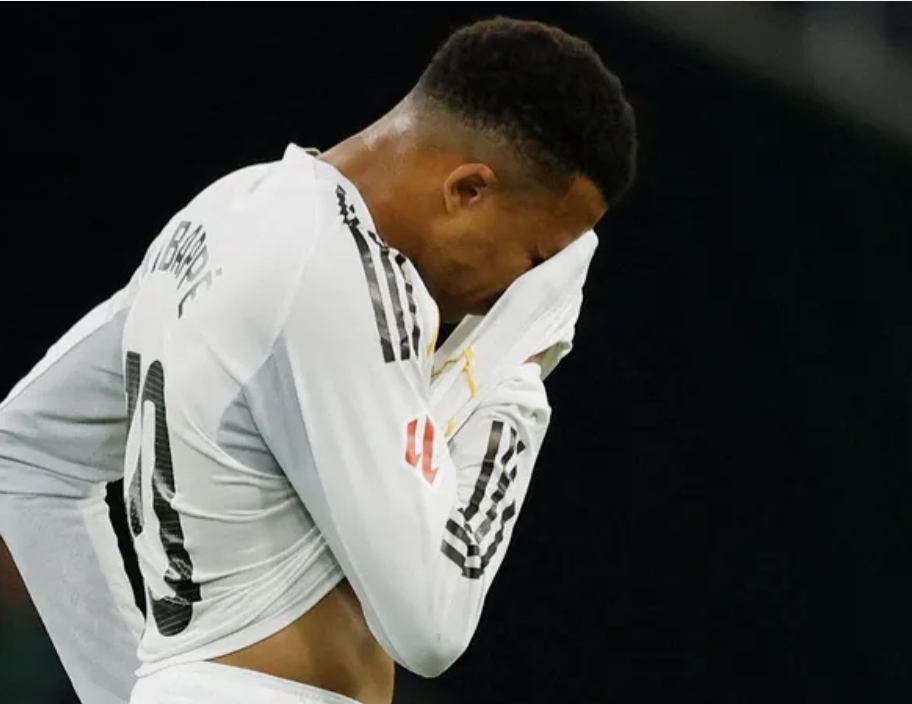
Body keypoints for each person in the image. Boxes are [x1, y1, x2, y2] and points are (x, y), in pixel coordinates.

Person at [0, 17, 637, 704]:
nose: (515, 294)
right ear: (468, 190)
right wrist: (518, 378)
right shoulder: (345, 272)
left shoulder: (223, 213)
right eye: (536, 259)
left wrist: (124, 688)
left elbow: (28, 447)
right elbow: (433, 625)